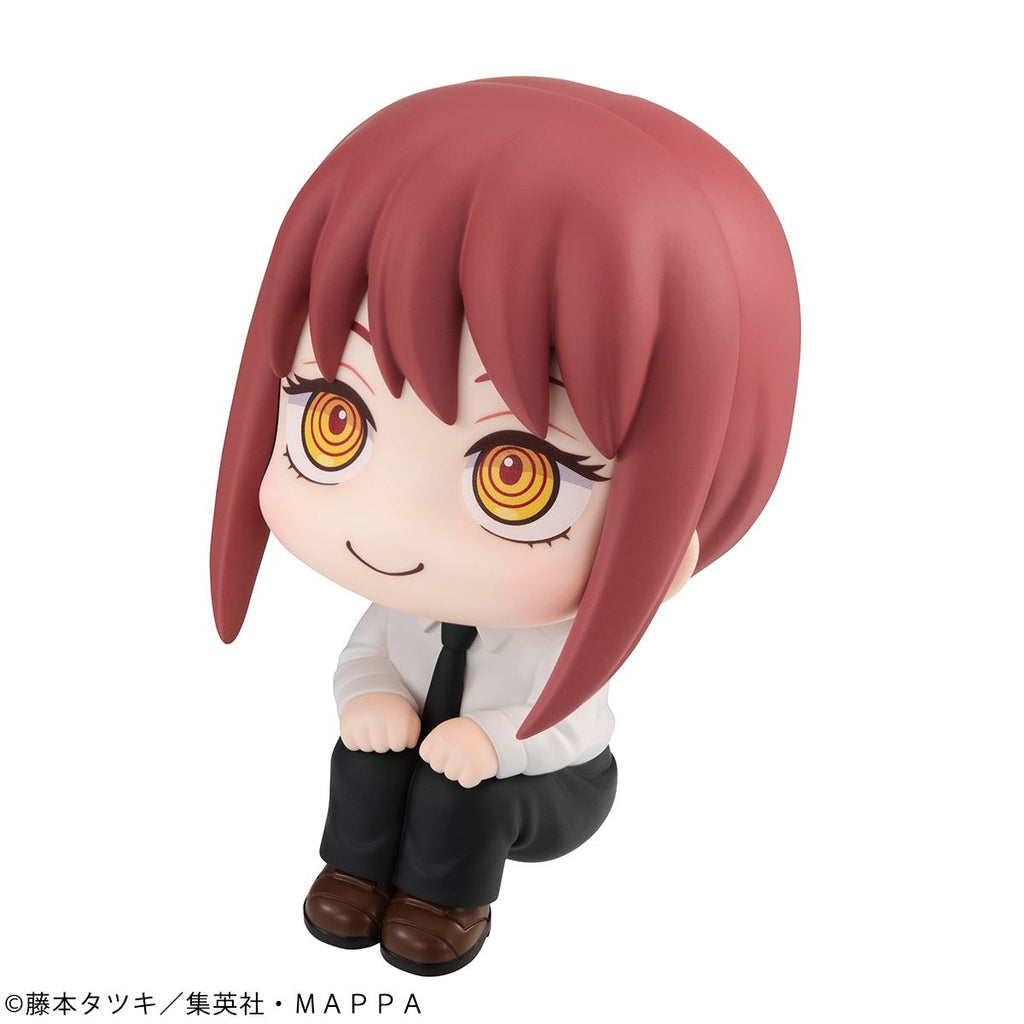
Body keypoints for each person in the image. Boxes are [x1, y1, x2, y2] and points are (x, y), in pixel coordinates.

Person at [210, 76, 800, 975]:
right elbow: (367, 656)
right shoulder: (407, 609)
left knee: (465, 798)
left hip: (542, 785)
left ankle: (445, 904)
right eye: (335, 420)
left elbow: (571, 727)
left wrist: (492, 743)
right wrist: (368, 699)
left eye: (514, 476)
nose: (391, 527)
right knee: (363, 755)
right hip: (423, 753)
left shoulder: (552, 642)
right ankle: (353, 875)